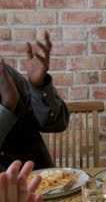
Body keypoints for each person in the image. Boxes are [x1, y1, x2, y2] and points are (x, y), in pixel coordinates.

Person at [0, 32, 69, 171]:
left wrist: (39, 87)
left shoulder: (4, 74)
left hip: (44, 184)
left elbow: (57, 124)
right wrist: (7, 108)